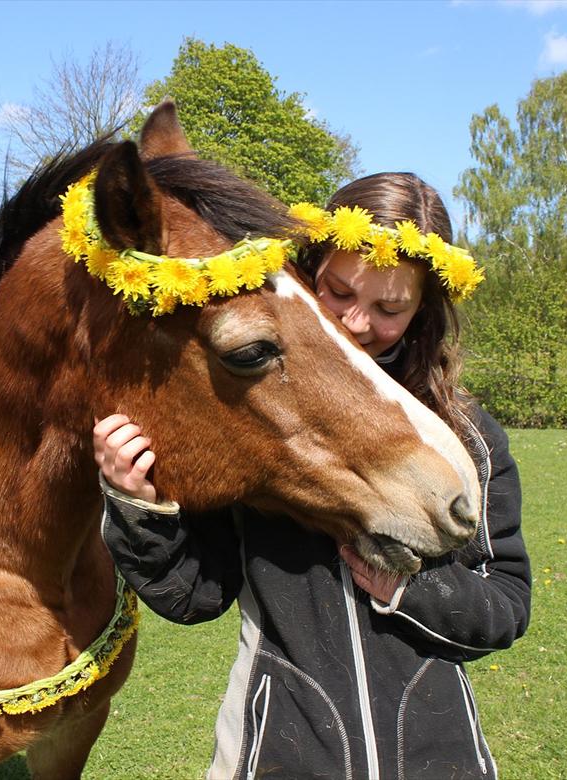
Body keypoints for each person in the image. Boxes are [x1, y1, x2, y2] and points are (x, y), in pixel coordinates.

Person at [93, 173, 531, 780]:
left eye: (389, 308)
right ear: (308, 270)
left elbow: (505, 606)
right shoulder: (253, 415)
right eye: (339, 290)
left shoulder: (468, 436)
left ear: (423, 310)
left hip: (439, 757)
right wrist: (141, 506)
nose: (355, 321)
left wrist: (406, 590)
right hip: (276, 753)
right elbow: (194, 595)